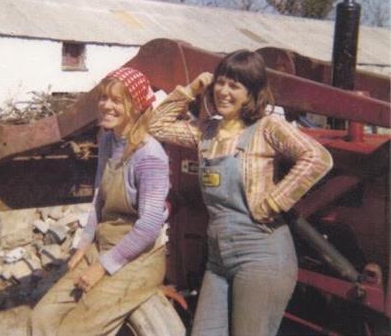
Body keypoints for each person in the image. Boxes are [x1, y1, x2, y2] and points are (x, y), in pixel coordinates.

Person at [149, 50, 333, 336]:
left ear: (251, 93)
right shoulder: (207, 132)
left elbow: (317, 157)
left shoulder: (266, 128)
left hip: (261, 254)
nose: (223, 91)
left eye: (234, 86)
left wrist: (274, 201)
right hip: (218, 258)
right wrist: (191, 89)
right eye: (220, 82)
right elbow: (156, 125)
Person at [30, 67, 170, 336]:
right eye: (103, 98)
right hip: (102, 245)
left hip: (138, 258)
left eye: (116, 100)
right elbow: (98, 199)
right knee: (42, 318)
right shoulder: (108, 140)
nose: (106, 105)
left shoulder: (150, 155)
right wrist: (83, 246)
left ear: (136, 106)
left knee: (74, 330)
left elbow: (150, 225)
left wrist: (102, 268)